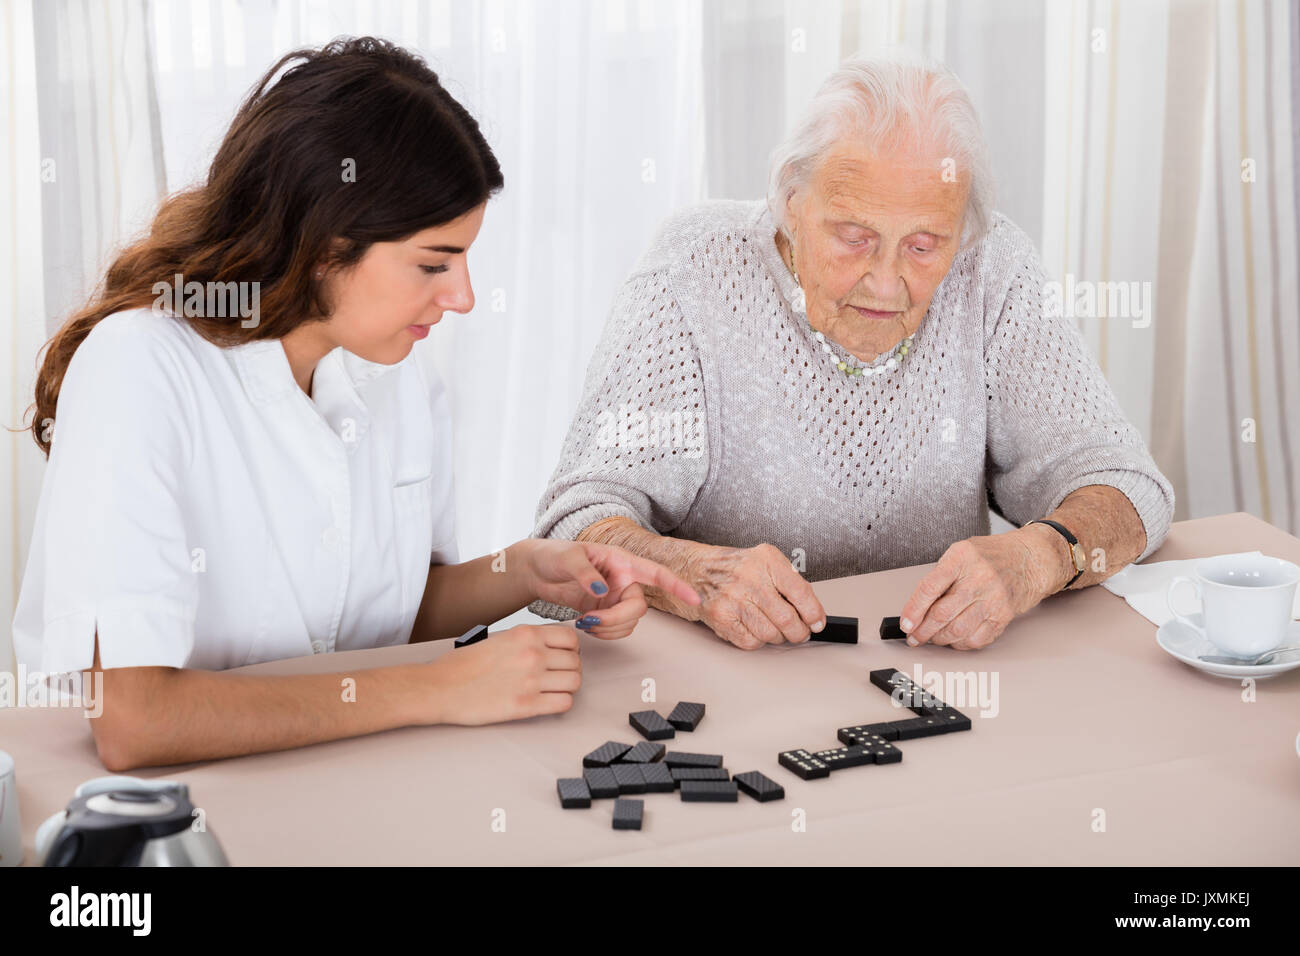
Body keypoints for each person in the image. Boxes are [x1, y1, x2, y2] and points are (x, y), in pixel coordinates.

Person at [12, 37, 698, 772]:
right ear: (321, 246)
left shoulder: (393, 368)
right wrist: (439, 690)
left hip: (358, 771)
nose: (462, 297)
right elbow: (136, 722)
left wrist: (526, 573)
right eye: (433, 264)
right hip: (194, 805)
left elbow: (386, 616)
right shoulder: (139, 368)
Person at [528, 50, 1173, 651]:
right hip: (730, 676)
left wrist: (1041, 557)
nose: (886, 282)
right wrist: (697, 574)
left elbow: (1127, 487)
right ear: (790, 202)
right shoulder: (693, 275)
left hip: (935, 669)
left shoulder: (992, 267)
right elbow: (574, 526)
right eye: (855, 237)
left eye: (924, 245)